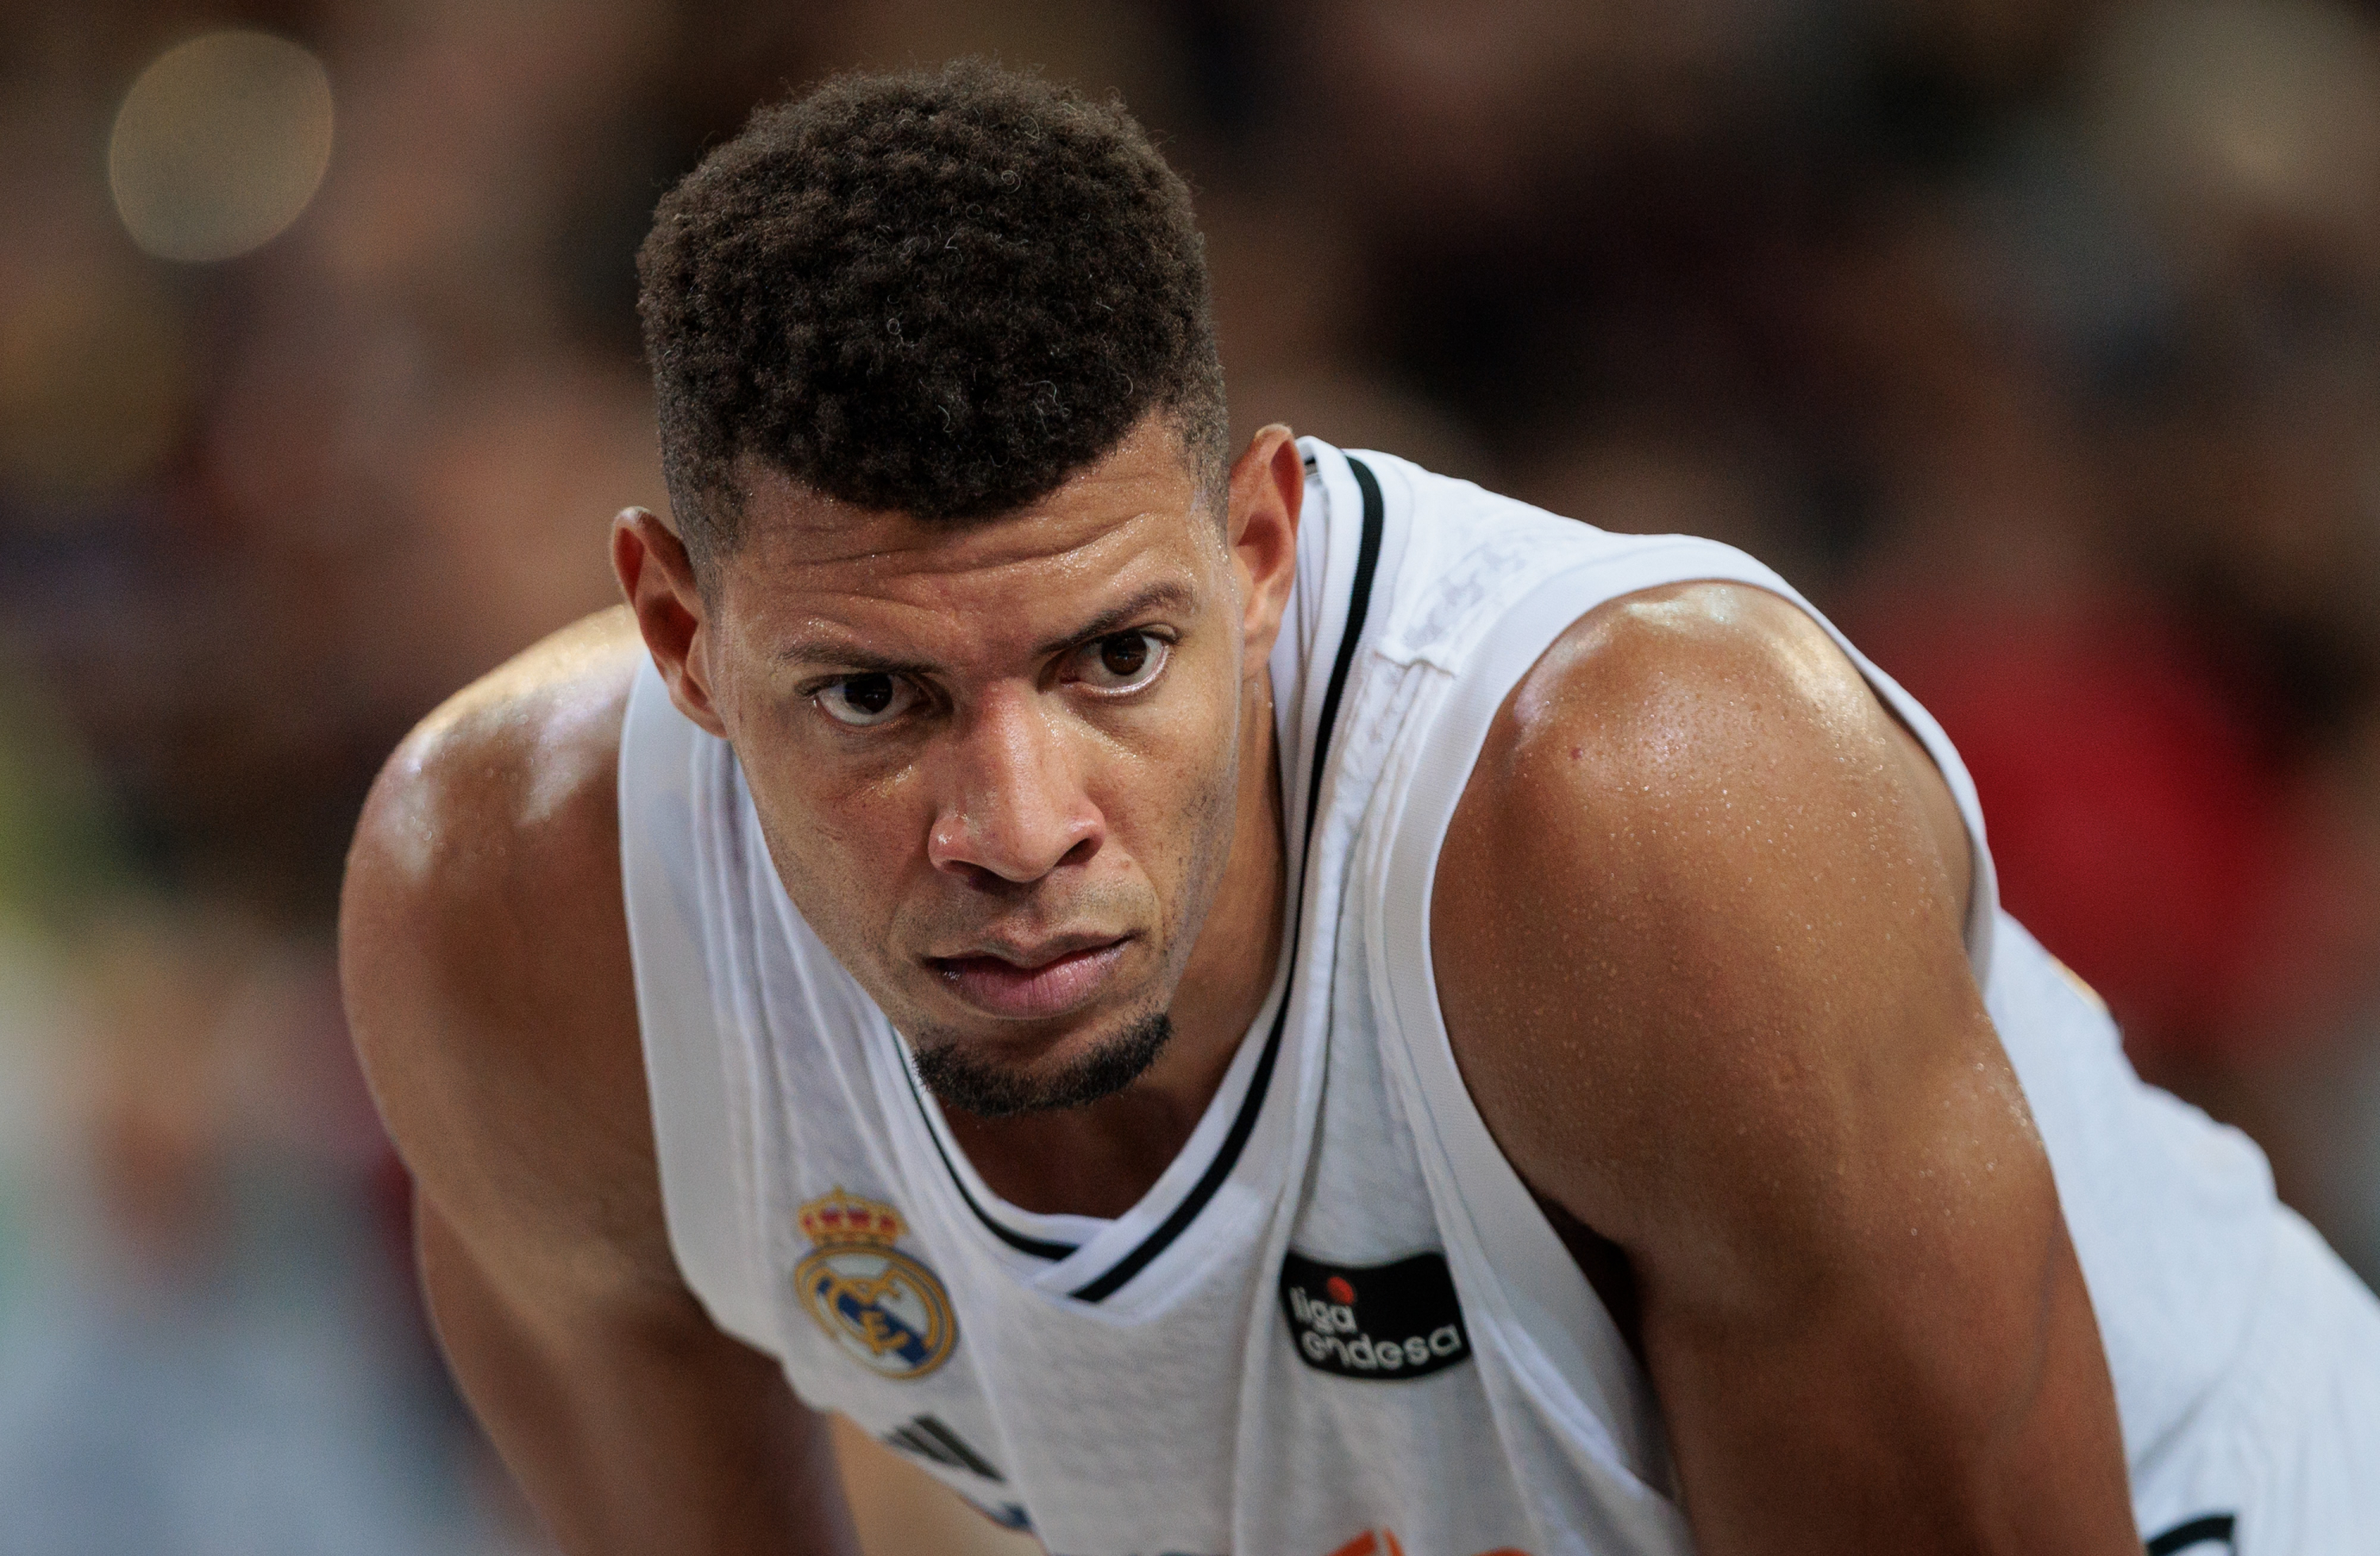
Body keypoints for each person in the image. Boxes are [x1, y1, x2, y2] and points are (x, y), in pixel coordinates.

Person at [338, 61, 2380, 1556]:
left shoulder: (1634, 812)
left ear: (1257, 545)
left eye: (1113, 659)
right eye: (875, 698)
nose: (1020, 822)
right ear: (681, 632)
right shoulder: (514, 923)